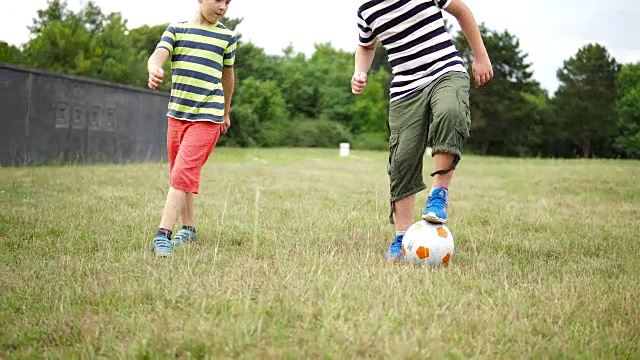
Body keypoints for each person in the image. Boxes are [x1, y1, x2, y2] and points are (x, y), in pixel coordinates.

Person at [351, 0, 493, 261]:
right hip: (405, 88)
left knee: (451, 112)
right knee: (402, 159)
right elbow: (366, 46)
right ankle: (402, 239)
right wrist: (360, 72)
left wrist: (480, 56)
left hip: (445, 71)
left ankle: (438, 195)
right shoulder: (366, 9)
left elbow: (461, 11)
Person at [146, 0, 236, 257]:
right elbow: (157, 56)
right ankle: (189, 229)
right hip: (177, 115)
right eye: (219, 0)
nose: (223, 6)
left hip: (208, 116)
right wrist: (154, 68)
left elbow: (227, 77)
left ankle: (163, 234)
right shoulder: (177, 30)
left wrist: (225, 111)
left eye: (228, 2)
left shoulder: (227, 37)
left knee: (183, 172)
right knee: (180, 173)